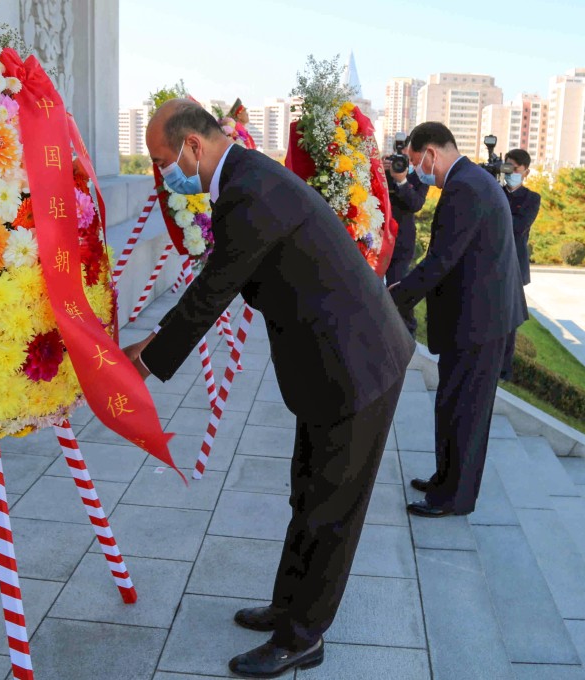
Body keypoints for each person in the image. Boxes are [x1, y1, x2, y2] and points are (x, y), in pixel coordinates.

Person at [123, 99, 414, 678]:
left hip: (357, 364)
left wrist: (147, 360)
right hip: (327, 361)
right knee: (306, 492)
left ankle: (303, 637)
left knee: (331, 508)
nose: (163, 174)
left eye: (163, 160)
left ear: (193, 147)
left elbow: (214, 289)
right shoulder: (245, 177)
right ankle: (288, 605)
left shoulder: (250, 191)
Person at [389, 122, 527, 518]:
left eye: (417, 163)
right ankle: (444, 480)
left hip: (480, 322)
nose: (417, 172)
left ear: (431, 153)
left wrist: (394, 297)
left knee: (465, 411)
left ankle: (455, 498)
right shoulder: (469, 181)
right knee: (452, 404)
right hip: (476, 317)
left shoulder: (465, 187)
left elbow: (441, 261)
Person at [498, 148, 541, 381]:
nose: (511, 172)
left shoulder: (532, 199)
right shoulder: (493, 190)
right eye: (507, 167)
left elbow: (518, 226)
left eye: (516, 168)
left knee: (509, 319)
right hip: (491, 263)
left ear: (526, 172)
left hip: (514, 265)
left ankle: (504, 370)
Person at [382, 149, 429, 336]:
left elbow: (416, 204)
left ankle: (407, 333)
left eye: (407, 158)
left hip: (402, 241)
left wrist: (401, 180)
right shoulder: (385, 169)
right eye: (398, 157)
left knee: (399, 286)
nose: (400, 162)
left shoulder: (420, 177)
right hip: (378, 236)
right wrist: (379, 169)